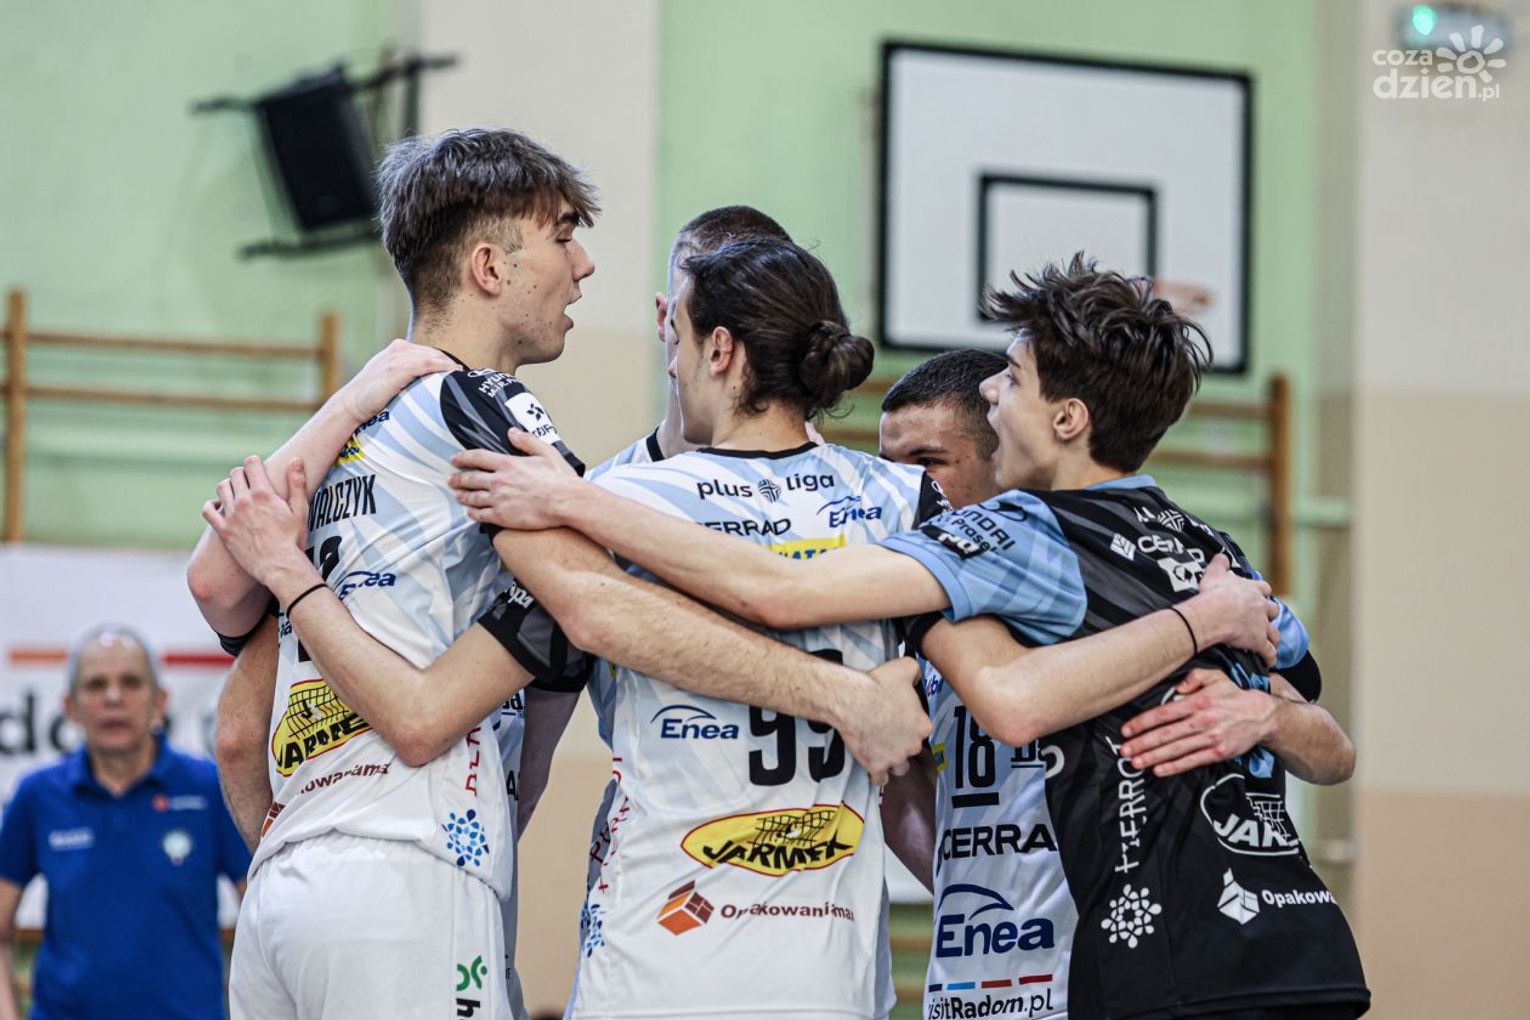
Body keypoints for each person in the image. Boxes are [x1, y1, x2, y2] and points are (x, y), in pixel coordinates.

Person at [449, 253, 1370, 1018]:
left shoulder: (1013, 531)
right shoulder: (1210, 553)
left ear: (1067, 418)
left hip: (1139, 957)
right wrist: (1258, 700)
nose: (993, 390)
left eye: (1012, 378)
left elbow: (786, 593)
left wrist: (577, 501)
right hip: (1283, 940)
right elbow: (1329, 743)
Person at [189, 127, 931, 1020]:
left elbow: (230, 678)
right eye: (563, 235)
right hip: (418, 869)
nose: (583, 266)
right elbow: (580, 615)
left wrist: (336, 434)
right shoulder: (493, 417)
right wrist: (844, 695)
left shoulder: (347, 434)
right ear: (490, 267)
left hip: (287, 879)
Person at [875, 348, 1359, 1019]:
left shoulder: (1136, 566)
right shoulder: (915, 600)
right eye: (886, 466)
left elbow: (1333, 749)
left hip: (1125, 969)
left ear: (1000, 448)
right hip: (977, 978)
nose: (902, 487)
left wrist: (1265, 714)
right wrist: (976, 888)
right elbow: (904, 786)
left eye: (926, 462)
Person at [0, 627, 251, 1020]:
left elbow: (264, 917)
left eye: (131, 683)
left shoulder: (209, 787)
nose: (114, 697)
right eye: (96, 685)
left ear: (160, 701)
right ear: (70, 706)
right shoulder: (38, 795)